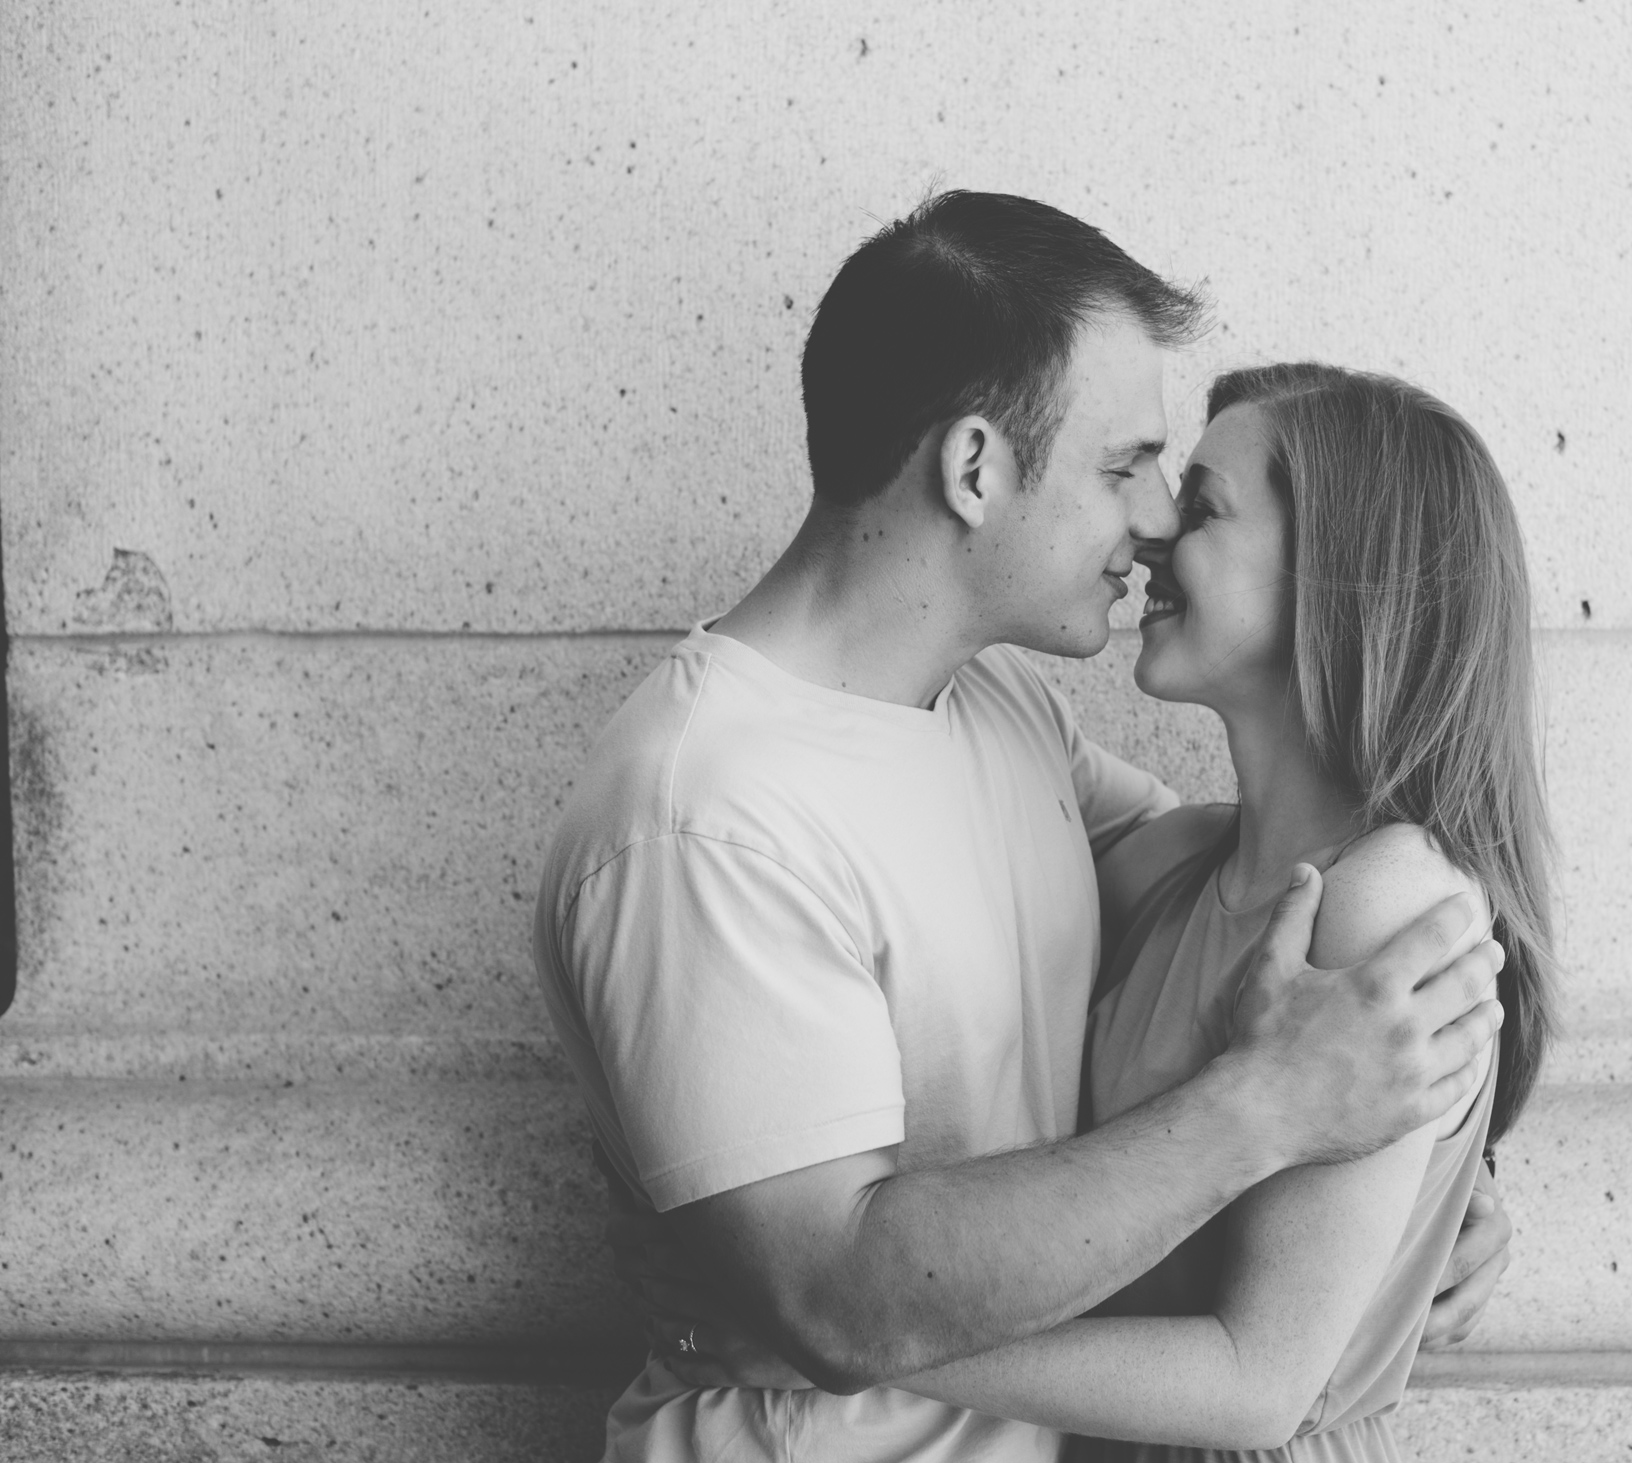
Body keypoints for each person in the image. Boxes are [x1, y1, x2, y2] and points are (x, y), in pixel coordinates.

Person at [531, 191, 1511, 1463]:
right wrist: (1275, 1107)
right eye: (1123, 466)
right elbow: (837, 1295)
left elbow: (1241, 919)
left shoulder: (1001, 711)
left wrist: (1426, 1170)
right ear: (976, 467)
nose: (1155, 516)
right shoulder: (707, 817)